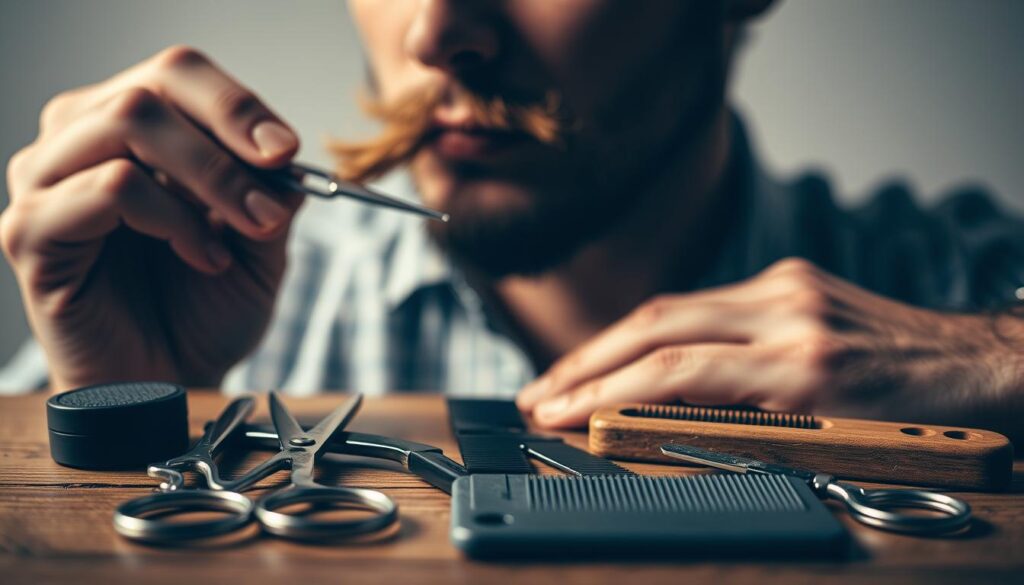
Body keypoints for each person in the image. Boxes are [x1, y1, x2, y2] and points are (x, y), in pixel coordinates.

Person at [2, 1, 1023, 443]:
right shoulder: (200, 281)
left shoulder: (961, 296)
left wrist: (997, 359)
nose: (436, 33)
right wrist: (131, 412)